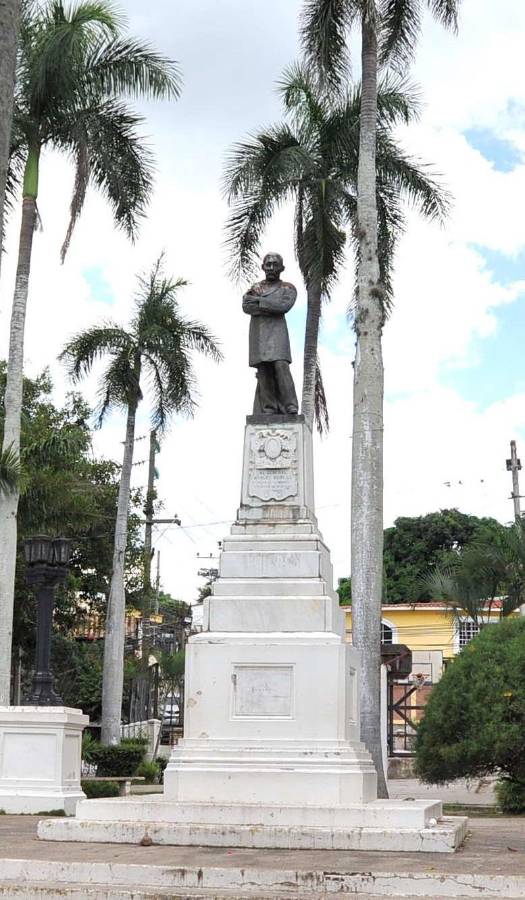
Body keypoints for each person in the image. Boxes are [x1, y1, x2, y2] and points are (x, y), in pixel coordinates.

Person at [242, 252, 299, 414]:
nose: (271, 268)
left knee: (280, 365)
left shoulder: (287, 288)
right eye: (268, 264)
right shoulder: (255, 288)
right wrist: (270, 306)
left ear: (282, 268)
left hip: (277, 332)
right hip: (258, 333)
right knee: (264, 369)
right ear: (263, 267)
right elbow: (246, 307)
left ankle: (290, 405)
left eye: (275, 264)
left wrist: (259, 302)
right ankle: (269, 408)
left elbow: (283, 307)